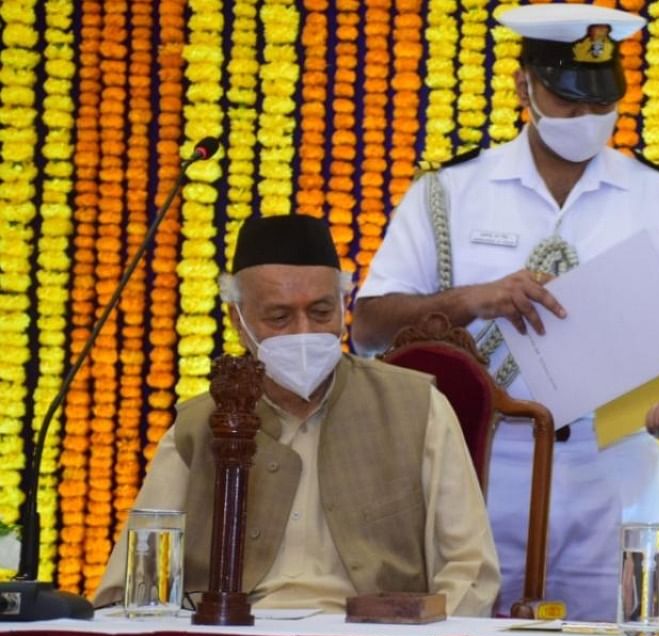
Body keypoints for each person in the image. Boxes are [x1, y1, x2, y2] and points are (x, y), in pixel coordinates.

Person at [351, 4, 659, 620]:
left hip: (616, 473)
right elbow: (366, 329)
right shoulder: (450, 193)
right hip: (477, 467)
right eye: (569, 101)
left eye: (602, 105)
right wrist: (472, 299)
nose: (586, 119)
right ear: (525, 86)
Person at [96, 214, 500, 615]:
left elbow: (470, 569)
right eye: (279, 317)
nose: (304, 332)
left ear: (344, 308)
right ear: (238, 321)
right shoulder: (200, 426)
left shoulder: (415, 407)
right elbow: (137, 583)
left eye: (321, 312)